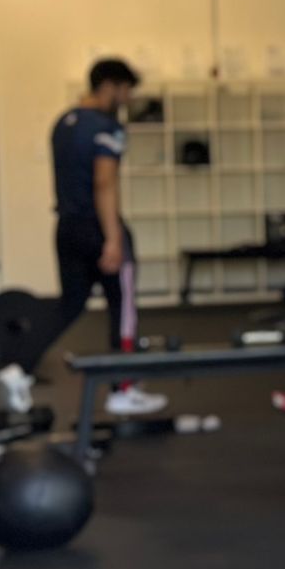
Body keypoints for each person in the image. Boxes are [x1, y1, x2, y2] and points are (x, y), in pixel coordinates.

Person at [51, 57, 165, 416]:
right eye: (126, 90)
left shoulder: (63, 124)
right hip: (99, 228)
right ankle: (124, 389)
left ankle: (15, 368)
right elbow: (104, 184)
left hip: (66, 228)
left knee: (70, 307)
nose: (128, 99)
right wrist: (113, 240)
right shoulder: (106, 128)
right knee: (122, 308)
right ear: (110, 86)